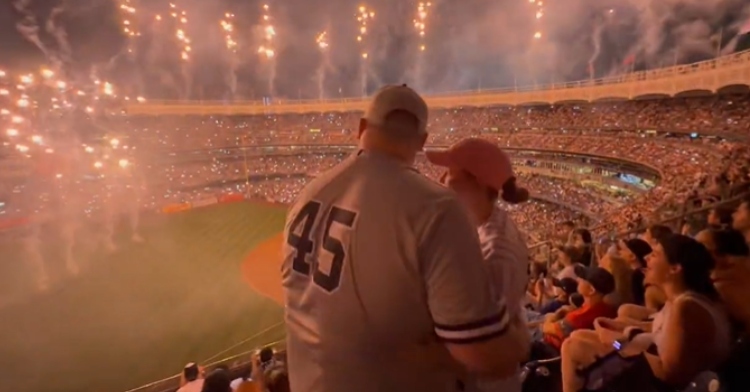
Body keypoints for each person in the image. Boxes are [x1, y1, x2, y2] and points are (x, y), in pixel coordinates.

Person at [281, 85, 529, 392]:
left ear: (361, 127)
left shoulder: (309, 192)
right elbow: (486, 355)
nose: (442, 178)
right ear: (422, 141)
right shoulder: (435, 206)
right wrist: (521, 340)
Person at [561, 234, 732, 392]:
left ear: (675, 269)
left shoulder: (686, 308)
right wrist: (621, 327)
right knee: (578, 336)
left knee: (572, 346)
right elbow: (661, 330)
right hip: (640, 355)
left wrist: (617, 342)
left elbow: (668, 375)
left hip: (645, 375)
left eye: (655, 255)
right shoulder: (682, 300)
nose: (646, 258)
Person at [427, 138, 531, 392]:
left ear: (478, 182)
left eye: (451, 173)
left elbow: (486, 346)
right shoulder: (486, 226)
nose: (442, 180)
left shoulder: (495, 254)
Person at [540, 265, 617, 351]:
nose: (578, 279)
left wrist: (553, 317)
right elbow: (617, 344)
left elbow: (545, 328)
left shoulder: (577, 317)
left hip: (548, 348)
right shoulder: (608, 309)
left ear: (591, 290)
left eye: (583, 279)